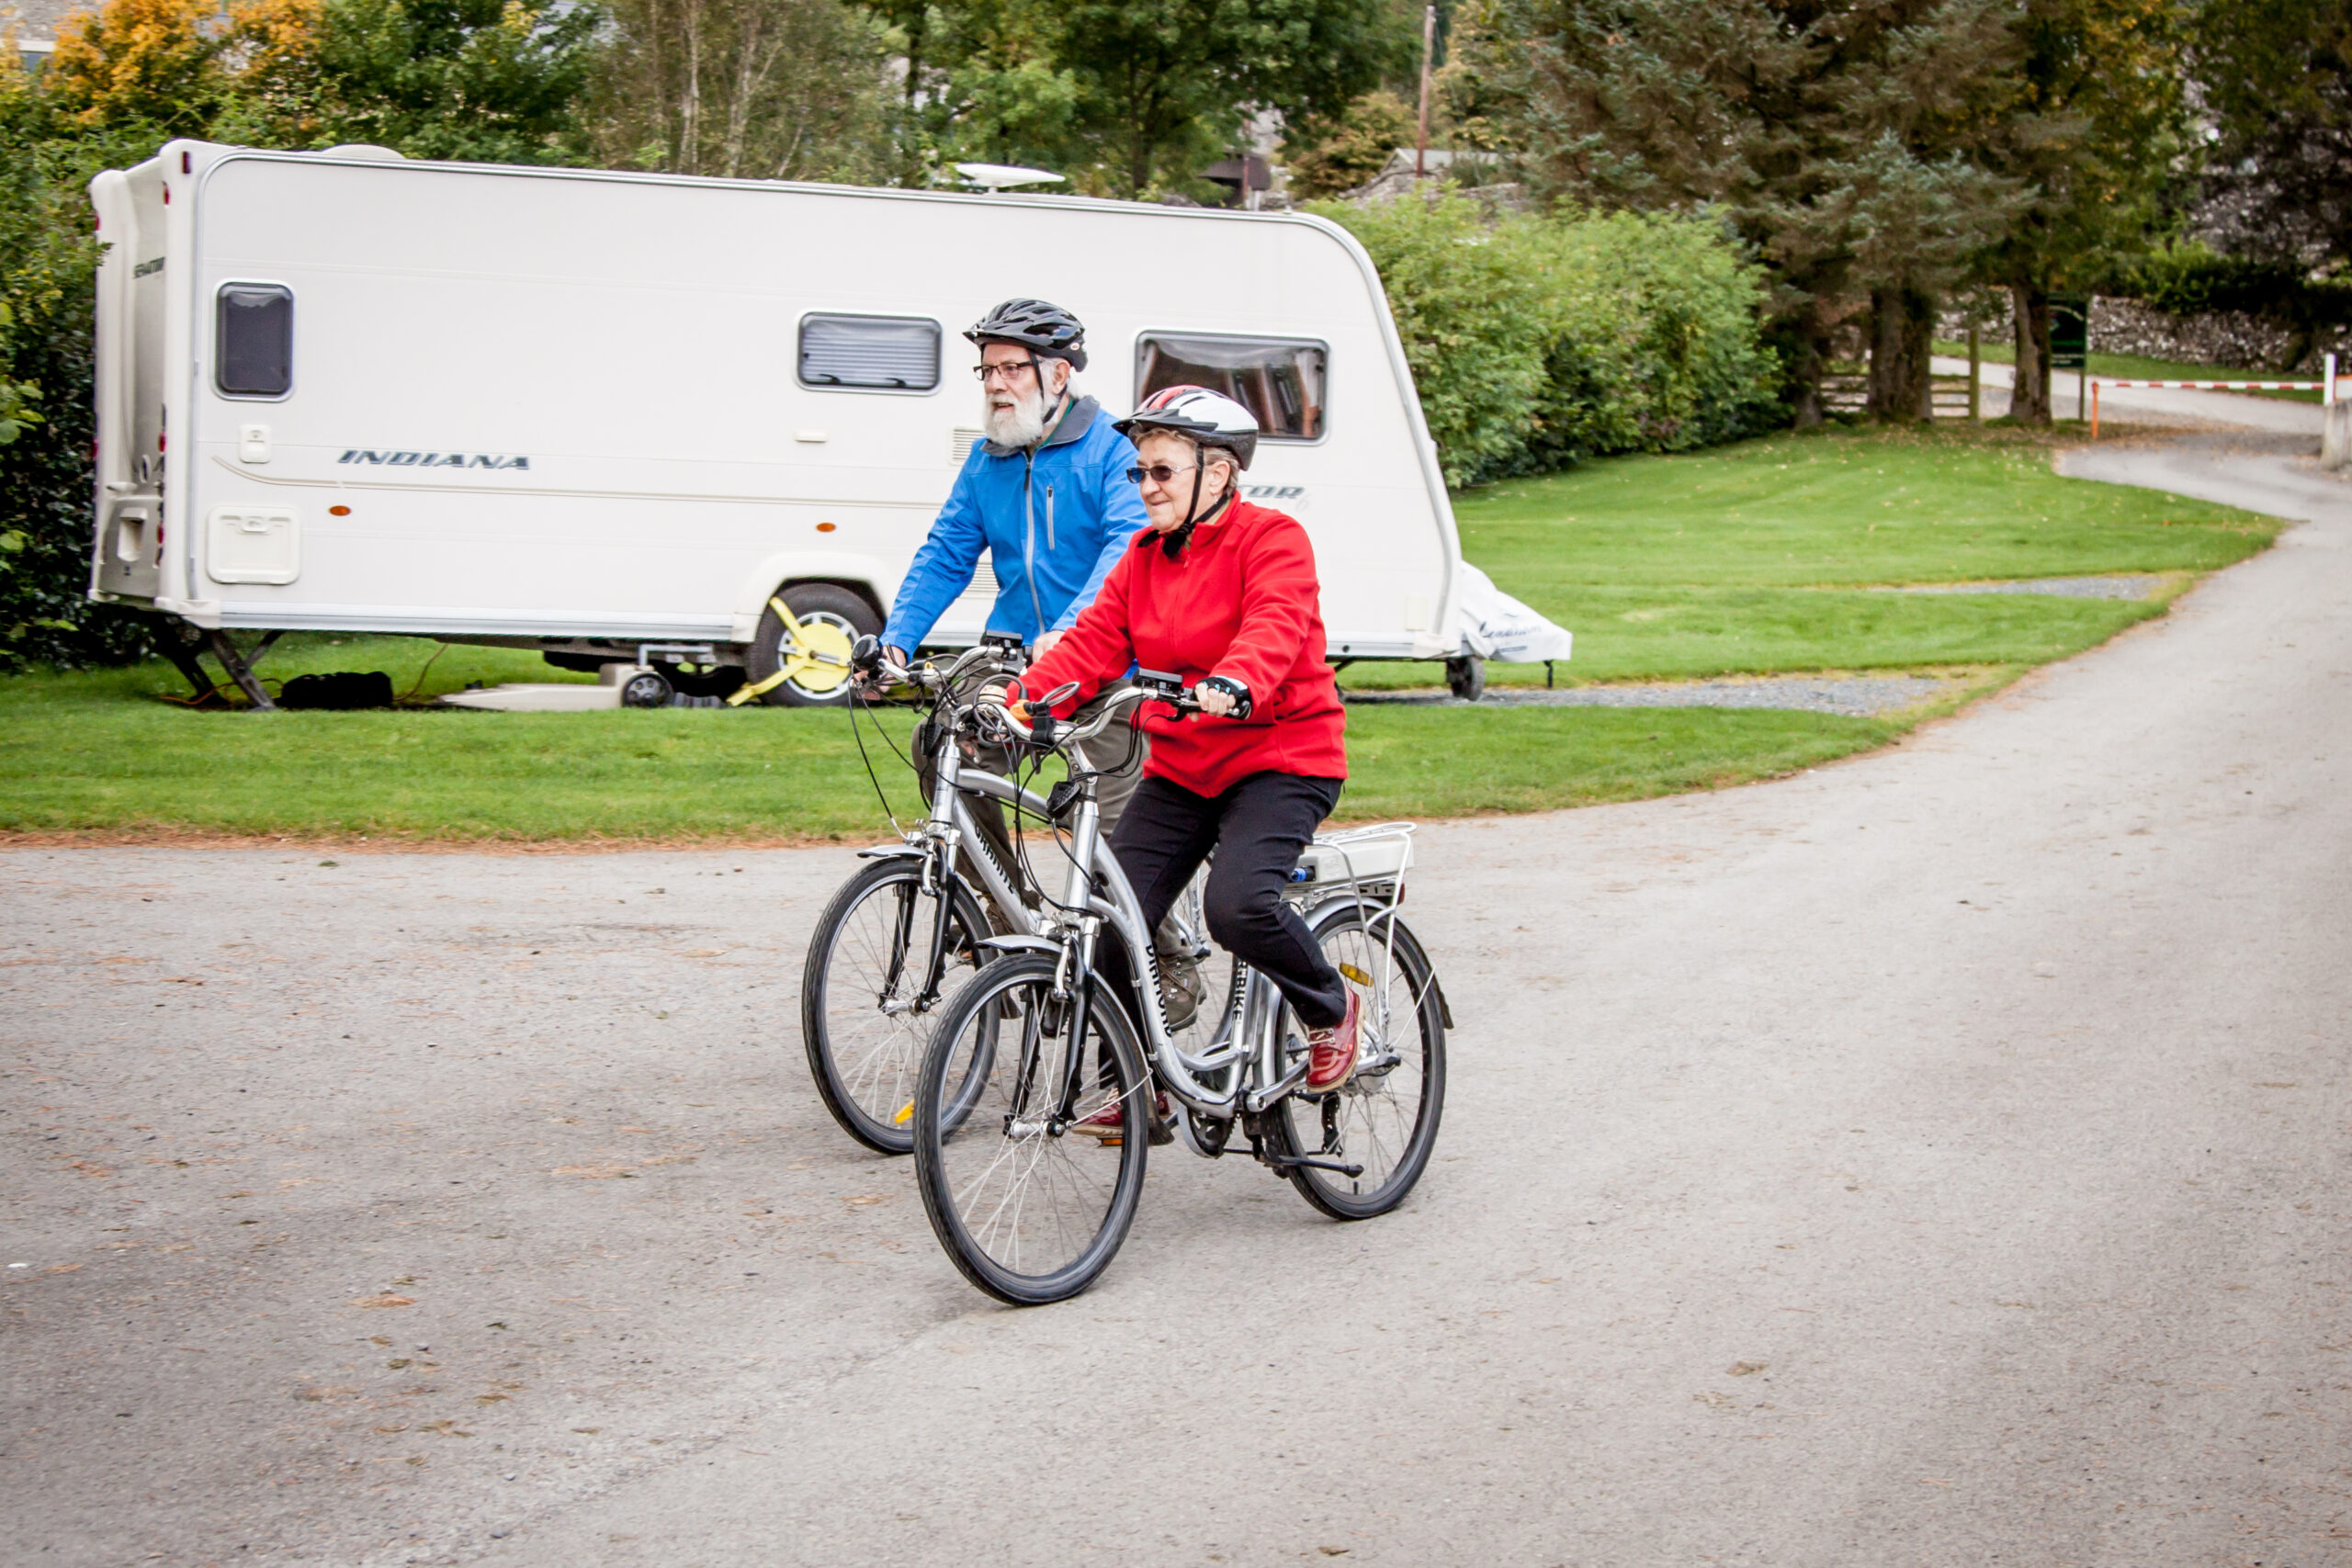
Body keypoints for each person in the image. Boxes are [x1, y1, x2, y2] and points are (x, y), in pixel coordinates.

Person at [1008, 386, 1359, 1136]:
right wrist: (1016, 704)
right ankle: (1138, 1090)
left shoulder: (1274, 539)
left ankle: (1330, 1006)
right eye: (1139, 473)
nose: (1146, 487)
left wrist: (1236, 682)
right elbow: (1089, 647)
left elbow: (1275, 621)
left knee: (1237, 904)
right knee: (1107, 917)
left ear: (1220, 473)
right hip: (1185, 765)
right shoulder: (1141, 558)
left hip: (1281, 756)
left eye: (1162, 471)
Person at [866, 299, 1200, 1021]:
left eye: (1011, 368)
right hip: (1019, 658)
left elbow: (1124, 546)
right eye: (987, 369)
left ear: (1058, 373)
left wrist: (1077, 630)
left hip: (1111, 661)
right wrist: (896, 639)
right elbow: (947, 550)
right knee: (947, 741)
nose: (995, 384)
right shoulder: (988, 461)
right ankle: (1008, 914)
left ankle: (1167, 959)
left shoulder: (1112, 452)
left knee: (1118, 840)